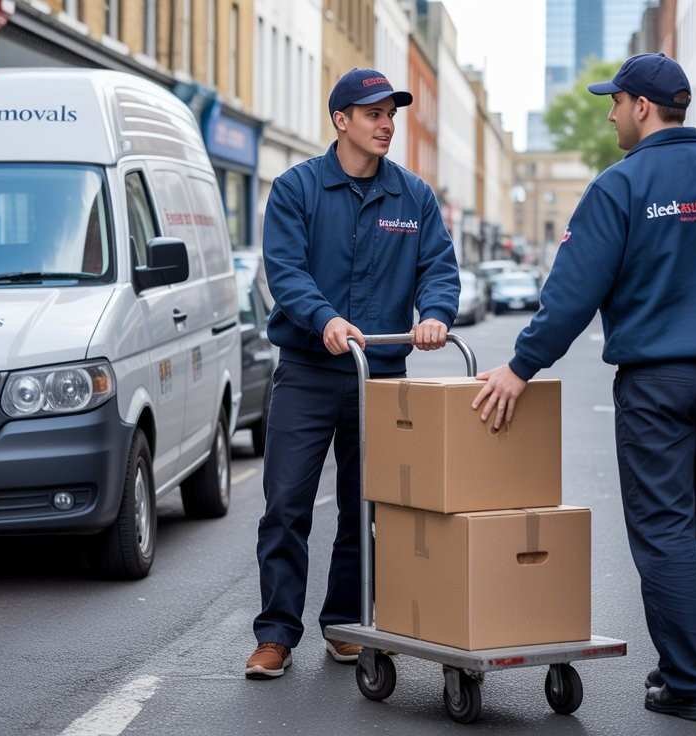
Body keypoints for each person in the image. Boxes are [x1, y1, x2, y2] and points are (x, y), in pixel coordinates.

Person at [471, 53, 696, 722]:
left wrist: (520, 365)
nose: (610, 114)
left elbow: (572, 292)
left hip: (657, 383)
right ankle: (689, 668)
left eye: (614, 102)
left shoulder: (622, 186)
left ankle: (692, 680)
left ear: (643, 106)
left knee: (664, 527)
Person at [245, 68, 460, 679]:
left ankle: (343, 622)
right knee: (285, 504)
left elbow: (438, 268)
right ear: (341, 120)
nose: (386, 123)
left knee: (366, 509)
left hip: (381, 379)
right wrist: (324, 319)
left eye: (391, 113)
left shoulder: (413, 197)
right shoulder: (296, 189)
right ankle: (275, 635)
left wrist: (436, 314)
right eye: (372, 113)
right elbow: (285, 272)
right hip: (310, 372)